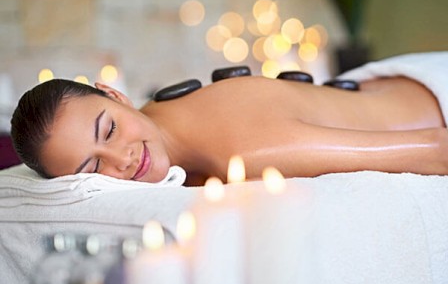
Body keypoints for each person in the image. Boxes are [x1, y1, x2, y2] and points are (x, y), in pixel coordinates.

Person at [10, 69, 448, 186]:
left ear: (115, 95)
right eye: (91, 169)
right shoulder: (157, 114)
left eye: (108, 131)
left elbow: (436, 150)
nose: (122, 159)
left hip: (433, 98)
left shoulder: (249, 151)